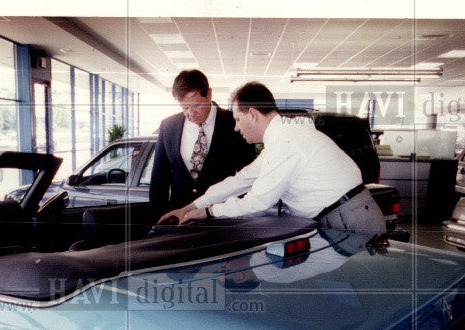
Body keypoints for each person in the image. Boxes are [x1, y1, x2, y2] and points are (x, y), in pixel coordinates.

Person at [159, 81, 387, 233]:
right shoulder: (282, 138)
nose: (236, 128)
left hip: (349, 219)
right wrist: (190, 207)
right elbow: (241, 181)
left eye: (238, 119)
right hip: (346, 214)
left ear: (253, 114)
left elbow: (257, 202)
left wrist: (208, 212)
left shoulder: (285, 143)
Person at [148, 69, 257, 220]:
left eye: (196, 105)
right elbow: (159, 178)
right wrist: (158, 219)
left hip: (221, 216)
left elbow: (248, 176)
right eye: (185, 108)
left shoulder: (234, 123)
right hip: (179, 217)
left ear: (209, 94)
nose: (191, 113)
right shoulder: (168, 126)